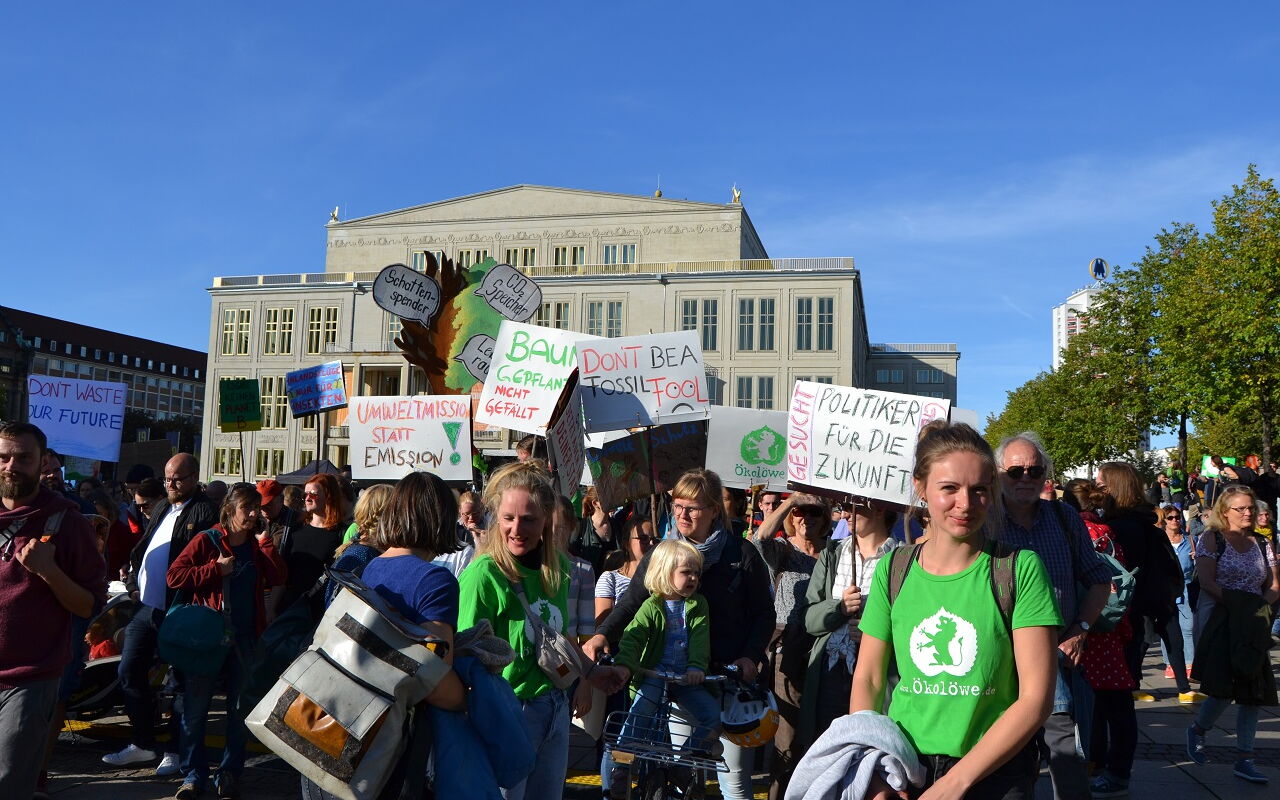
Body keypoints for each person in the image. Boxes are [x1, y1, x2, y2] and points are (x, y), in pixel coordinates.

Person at [852, 422, 1062, 800]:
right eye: (949, 488)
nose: (965, 504)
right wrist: (869, 766)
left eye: (979, 490)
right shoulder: (893, 568)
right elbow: (868, 678)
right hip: (903, 769)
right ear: (921, 488)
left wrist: (954, 784)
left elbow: (1036, 698)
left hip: (994, 773)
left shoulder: (1019, 568)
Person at [586, 468, 775, 800]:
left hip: (721, 679)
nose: (683, 514)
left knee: (732, 779)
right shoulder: (663, 553)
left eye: (694, 507)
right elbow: (632, 604)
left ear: (715, 510)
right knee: (673, 771)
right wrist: (603, 634)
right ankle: (624, 770)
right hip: (667, 673)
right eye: (678, 506)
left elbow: (764, 613)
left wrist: (750, 656)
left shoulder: (740, 554)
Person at [457, 462, 604, 800]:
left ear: (547, 520)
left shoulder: (558, 568)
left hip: (555, 707)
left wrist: (589, 674)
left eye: (528, 519)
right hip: (507, 713)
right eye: (508, 518)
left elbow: (557, 639)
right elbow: (462, 658)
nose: (516, 529)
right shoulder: (483, 576)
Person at [991, 433, 1110, 800]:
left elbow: (1099, 578)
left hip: (1055, 657)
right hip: (997, 658)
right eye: (1015, 471)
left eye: (1034, 470)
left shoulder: (1064, 518)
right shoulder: (986, 522)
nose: (1026, 477)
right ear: (997, 474)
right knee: (1007, 758)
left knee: (1064, 747)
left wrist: (1081, 630)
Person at [0, 422, 107, 799]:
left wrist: (47, 570)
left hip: (29, 678)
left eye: (22, 458)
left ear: (42, 461)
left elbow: (90, 604)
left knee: (9, 783)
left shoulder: (67, 522)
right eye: (3, 457)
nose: (11, 466)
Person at [166, 484, 287, 799]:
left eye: (255, 507)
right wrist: (213, 570)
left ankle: (229, 774)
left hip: (245, 639)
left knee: (239, 710)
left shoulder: (255, 544)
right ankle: (193, 776)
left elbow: (277, 577)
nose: (252, 514)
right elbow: (175, 576)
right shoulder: (206, 540)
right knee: (196, 709)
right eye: (246, 507)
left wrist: (267, 545)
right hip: (208, 639)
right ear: (230, 509)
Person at [107, 453, 218, 774]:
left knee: (179, 683)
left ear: (194, 477)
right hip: (147, 607)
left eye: (178, 479)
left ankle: (175, 750)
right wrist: (131, 582)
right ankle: (143, 743)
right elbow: (143, 548)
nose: (170, 484)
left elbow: (204, 562)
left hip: (179, 611)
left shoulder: (205, 511)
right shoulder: (162, 508)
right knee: (128, 671)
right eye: (167, 478)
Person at [606, 540, 720, 799]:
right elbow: (633, 639)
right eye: (685, 572)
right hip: (655, 673)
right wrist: (625, 664)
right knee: (639, 716)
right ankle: (622, 765)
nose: (693, 578)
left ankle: (682, 764)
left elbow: (701, 637)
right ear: (665, 574)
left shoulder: (698, 604)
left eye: (696, 573)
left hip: (684, 676)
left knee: (712, 715)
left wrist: (696, 667)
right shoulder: (651, 606)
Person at [1186, 485, 1278, 784]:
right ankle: (1199, 729)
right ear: (1225, 512)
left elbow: (1275, 584)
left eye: (1250, 507)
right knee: (1223, 688)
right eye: (1241, 508)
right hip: (1223, 620)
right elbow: (1208, 581)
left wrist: (1260, 606)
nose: (1248, 513)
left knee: (1253, 692)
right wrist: (1240, 604)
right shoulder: (1212, 538)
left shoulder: (1263, 543)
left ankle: (1245, 758)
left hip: (1252, 624)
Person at [799, 496, 899, 770]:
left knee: (868, 758)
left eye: (852, 508)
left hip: (879, 678)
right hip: (829, 674)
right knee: (825, 759)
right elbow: (808, 618)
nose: (843, 515)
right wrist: (839, 608)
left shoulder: (902, 558)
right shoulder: (833, 554)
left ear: (879, 508)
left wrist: (876, 632)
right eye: (842, 508)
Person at [752, 491, 832, 800]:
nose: (806, 517)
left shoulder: (834, 552)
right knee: (787, 736)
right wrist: (791, 500)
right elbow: (760, 537)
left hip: (824, 645)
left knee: (820, 729)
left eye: (814, 511)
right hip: (788, 644)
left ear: (825, 519)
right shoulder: (782, 550)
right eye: (801, 512)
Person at [1060, 480, 1137, 798]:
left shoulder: (1077, 531)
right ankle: (1108, 768)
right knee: (1112, 700)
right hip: (1110, 628)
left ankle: (1107, 769)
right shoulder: (1106, 531)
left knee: (1098, 704)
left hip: (1087, 627)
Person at [1095, 462, 1187, 702]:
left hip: (1124, 613)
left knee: (1115, 695)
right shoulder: (1148, 524)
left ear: (1114, 489)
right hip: (1153, 604)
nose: (1095, 492)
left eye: (1100, 486)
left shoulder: (1117, 528)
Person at [269, 474, 346, 621]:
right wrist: (271, 609)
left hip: (322, 612)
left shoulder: (341, 533)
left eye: (314, 494)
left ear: (329, 496)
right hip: (290, 608)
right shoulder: (295, 529)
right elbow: (283, 576)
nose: (307, 498)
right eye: (305, 494)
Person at [1157, 505, 1198, 692]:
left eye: (1177, 517)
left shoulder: (1189, 539)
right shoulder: (1158, 540)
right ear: (1164, 520)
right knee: (1168, 629)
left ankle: (1189, 663)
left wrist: (1196, 557)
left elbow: (1197, 563)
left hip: (1186, 587)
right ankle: (1170, 665)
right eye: (1170, 517)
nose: (1175, 520)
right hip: (1166, 588)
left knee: (1188, 627)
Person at [554, 496, 596, 642]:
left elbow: (586, 626)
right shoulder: (531, 566)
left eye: (560, 527)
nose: (553, 534)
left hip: (567, 651)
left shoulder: (582, 569)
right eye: (547, 527)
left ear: (572, 526)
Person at [572, 486, 619, 575]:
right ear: (595, 503)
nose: (612, 499)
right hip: (588, 585)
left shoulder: (617, 525)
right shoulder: (581, 527)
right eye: (608, 497)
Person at [435, 490, 484, 576]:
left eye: (475, 513)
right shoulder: (454, 529)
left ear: (481, 510)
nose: (471, 518)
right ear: (460, 511)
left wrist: (477, 534)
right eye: (466, 514)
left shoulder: (489, 527)